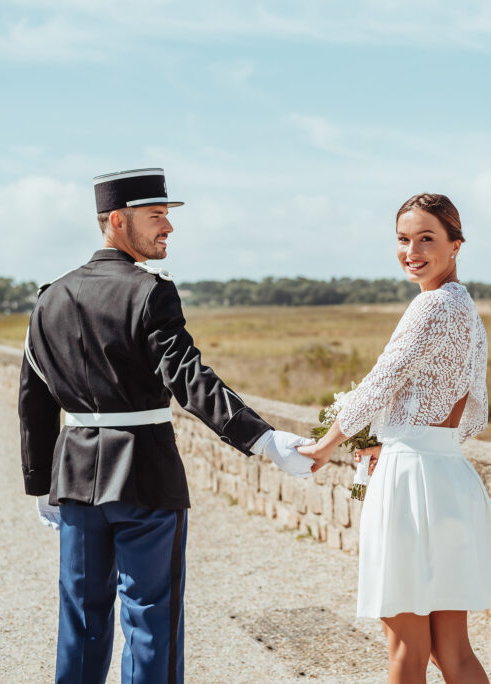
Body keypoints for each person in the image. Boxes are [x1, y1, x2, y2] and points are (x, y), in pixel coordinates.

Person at [18, 167, 316, 684]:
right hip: (145, 475)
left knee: (80, 623)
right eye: (156, 216)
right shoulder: (149, 293)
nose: (168, 227)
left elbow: (34, 397)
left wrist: (40, 481)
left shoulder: (49, 298)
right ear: (116, 220)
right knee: (151, 622)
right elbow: (189, 379)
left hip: (75, 479)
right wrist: (265, 439)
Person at [298, 193, 491, 684]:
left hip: (409, 484)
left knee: (405, 647)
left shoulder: (431, 306)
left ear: (456, 244)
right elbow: (473, 411)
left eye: (427, 238)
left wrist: (325, 444)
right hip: (448, 478)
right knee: (454, 651)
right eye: (403, 239)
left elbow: (381, 382)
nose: (412, 250)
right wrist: (403, 436)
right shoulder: (467, 309)